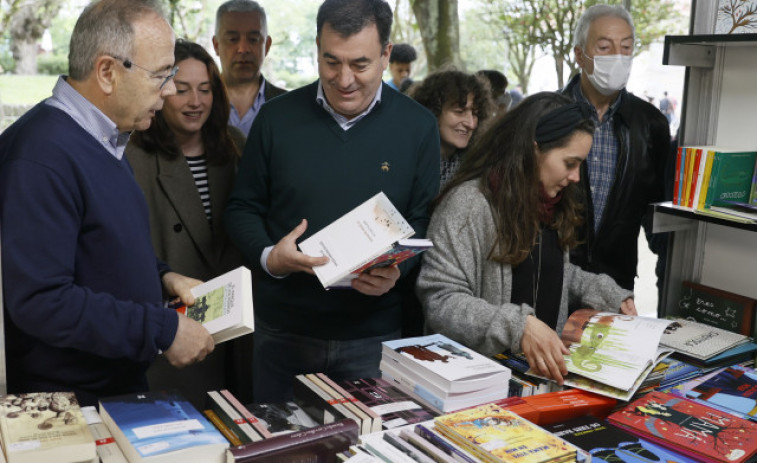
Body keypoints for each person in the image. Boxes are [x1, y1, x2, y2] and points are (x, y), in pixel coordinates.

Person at [0, 0, 213, 406]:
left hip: (113, 387)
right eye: (161, 75)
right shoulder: (39, 157)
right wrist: (161, 330)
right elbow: (41, 301)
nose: (169, 90)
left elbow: (98, 247)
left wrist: (162, 278)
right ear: (107, 72)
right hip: (72, 405)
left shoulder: (103, 138)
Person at [225, 0, 440, 402]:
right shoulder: (275, 119)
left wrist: (399, 270)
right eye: (331, 62)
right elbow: (241, 208)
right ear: (317, 50)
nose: (344, 80)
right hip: (283, 333)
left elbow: (423, 219)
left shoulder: (418, 126)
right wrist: (271, 257)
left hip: (373, 336)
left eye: (359, 64)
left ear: (386, 55)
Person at [416, 92, 636, 384]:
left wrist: (605, 293)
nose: (575, 177)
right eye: (570, 163)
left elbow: (546, 271)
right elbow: (442, 301)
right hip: (476, 386)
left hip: (534, 383)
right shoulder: (468, 206)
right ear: (534, 150)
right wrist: (518, 327)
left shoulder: (550, 202)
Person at [125, 39, 248, 406]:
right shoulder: (133, 154)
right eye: (182, 90)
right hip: (173, 321)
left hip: (233, 321)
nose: (196, 101)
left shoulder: (234, 144)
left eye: (205, 89)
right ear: (162, 90)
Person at [562, 4, 670, 292]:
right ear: (579, 55)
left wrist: (670, 267)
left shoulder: (650, 124)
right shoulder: (548, 114)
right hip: (552, 277)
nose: (618, 57)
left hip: (615, 284)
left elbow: (656, 208)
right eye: (605, 47)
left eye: (626, 47)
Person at [410, 69, 493, 189]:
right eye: (459, 112)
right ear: (432, 111)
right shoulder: (401, 160)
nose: (471, 124)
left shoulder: (477, 167)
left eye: (475, 113)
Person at [213, 0, 286, 135]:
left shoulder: (289, 106)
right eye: (232, 39)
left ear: (267, 46)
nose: (243, 49)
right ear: (216, 45)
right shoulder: (197, 102)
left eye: (253, 39)